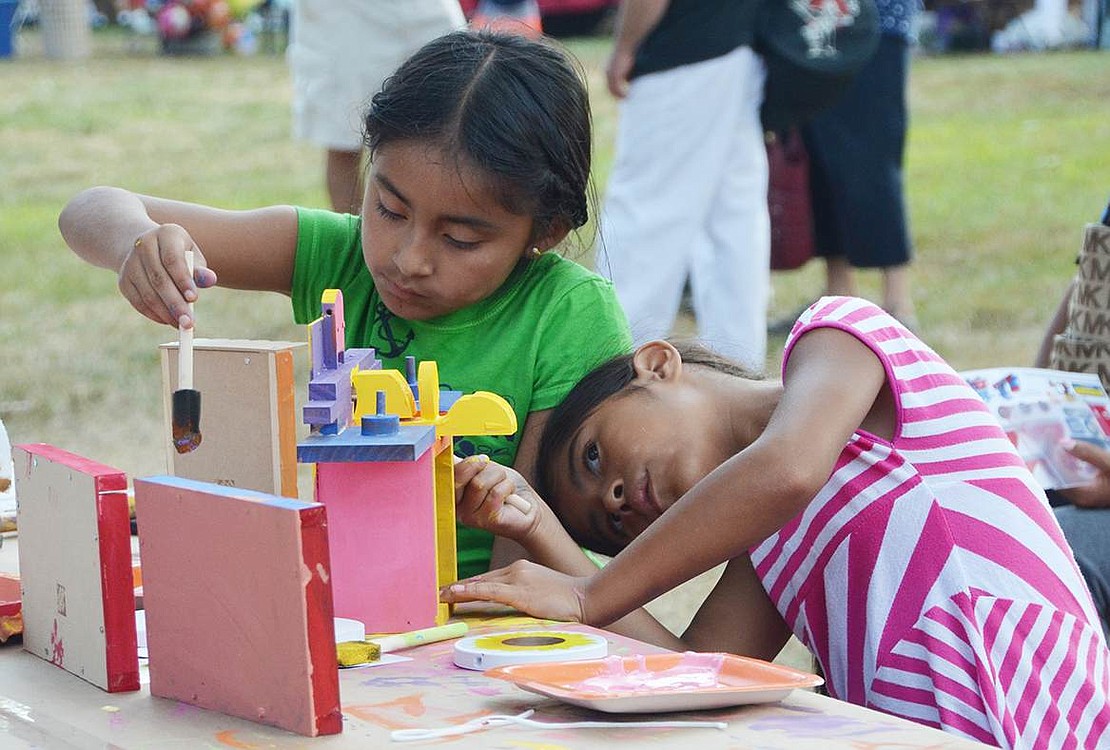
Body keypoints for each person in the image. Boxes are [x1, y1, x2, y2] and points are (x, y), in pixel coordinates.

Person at [58, 30, 633, 580]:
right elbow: (91, 208)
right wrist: (138, 244)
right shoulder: (336, 257)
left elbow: (518, 563)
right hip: (352, 605)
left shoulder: (569, 316)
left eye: (460, 239)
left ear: (547, 231)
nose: (409, 259)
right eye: (388, 209)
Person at [446, 296, 1110, 748]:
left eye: (594, 456)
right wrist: (541, 531)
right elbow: (695, 672)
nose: (615, 498)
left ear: (654, 364)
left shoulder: (840, 336)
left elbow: (789, 466)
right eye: (611, 528)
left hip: (1038, 707)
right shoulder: (770, 543)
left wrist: (590, 593)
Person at [598, 0, 770, 370]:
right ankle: (737, 370)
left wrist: (624, 47)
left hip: (681, 53)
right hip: (740, 48)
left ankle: (615, 366)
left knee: (645, 218)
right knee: (732, 222)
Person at [771, 0, 918, 335]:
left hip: (874, 23)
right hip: (810, 23)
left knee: (873, 158)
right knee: (818, 157)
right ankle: (839, 293)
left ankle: (897, 300)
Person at [287, 1, 465, 214]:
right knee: (344, 134)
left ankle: (450, 227)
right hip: (343, 12)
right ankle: (359, 242)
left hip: (424, 8)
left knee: (459, 104)